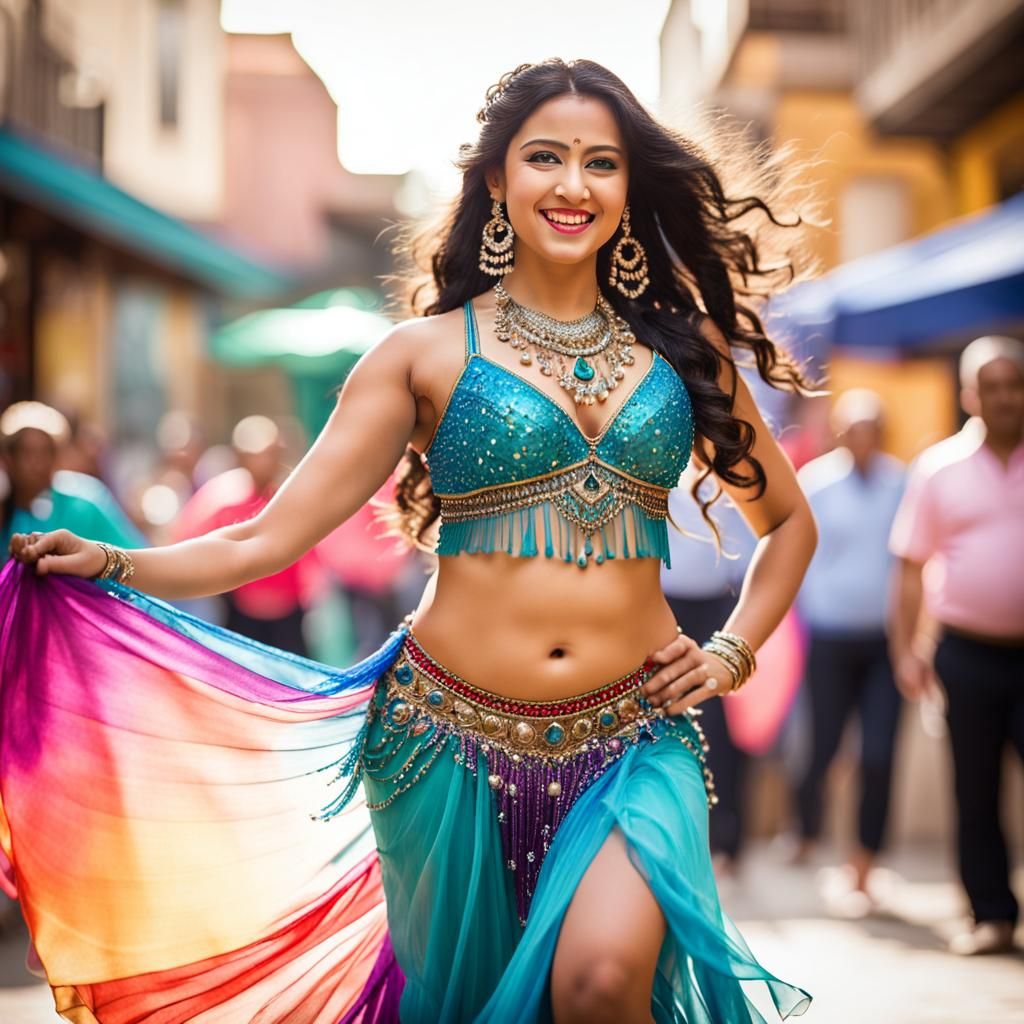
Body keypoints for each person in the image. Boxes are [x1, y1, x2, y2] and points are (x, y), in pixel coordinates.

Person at [3, 60, 817, 1022]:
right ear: (497, 182)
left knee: (602, 983)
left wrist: (731, 652)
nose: (573, 185)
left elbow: (787, 524)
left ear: (629, 186)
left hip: (634, 739)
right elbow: (268, 537)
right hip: (443, 743)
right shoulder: (421, 354)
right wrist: (115, 563)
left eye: (601, 162)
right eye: (544, 158)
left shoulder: (683, 353)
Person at [889, 335, 1024, 957]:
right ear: (969, 395)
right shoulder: (938, 468)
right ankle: (990, 914)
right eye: (989, 387)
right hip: (966, 653)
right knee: (974, 788)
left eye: (1013, 385)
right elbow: (911, 567)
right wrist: (907, 651)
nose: (1003, 398)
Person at [791, 390, 906, 906]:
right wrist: (811, 612)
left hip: (883, 641)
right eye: (855, 429)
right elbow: (799, 555)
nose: (864, 439)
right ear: (840, 433)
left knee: (879, 752)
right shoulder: (816, 484)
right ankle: (807, 831)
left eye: (873, 429)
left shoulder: (900, 483)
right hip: (831, 637)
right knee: (823, 746)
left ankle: (864, 860)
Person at [661, 465, 756, 876]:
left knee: (722, 729)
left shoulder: (731, 476)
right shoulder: (651, 468)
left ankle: (726, 841)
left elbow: (757, 544)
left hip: (719, 611)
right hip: (662, 609)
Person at [173, 415, 323, 656]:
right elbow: (188, 538)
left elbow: (314, 554)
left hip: (290, 614)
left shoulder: (292, 497)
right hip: (239, 614)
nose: (264, 462)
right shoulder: (221, 497)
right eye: (257, 454)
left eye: (271, 453)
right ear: (240, 456)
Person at [0, 401, 144, 556]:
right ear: (8, 459)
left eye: (46, 452)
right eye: (26, 453)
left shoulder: (84, 503)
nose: (37, 464)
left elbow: (134, 556)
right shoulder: (6, 510)